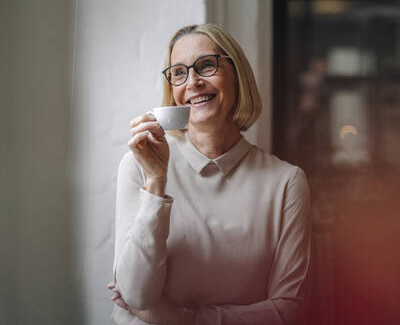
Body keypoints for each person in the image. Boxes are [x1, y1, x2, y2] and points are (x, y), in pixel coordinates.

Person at [107, 23, 312, 325]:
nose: (193, 82)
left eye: (206, 66)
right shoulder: (140, 164)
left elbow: (288, 310)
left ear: (237, 75)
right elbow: (135, 296)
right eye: (179, 72)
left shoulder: (286, 183)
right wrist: (156, 182)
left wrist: (183, 320)